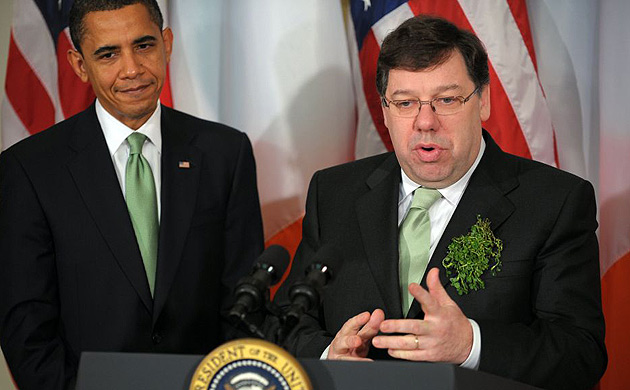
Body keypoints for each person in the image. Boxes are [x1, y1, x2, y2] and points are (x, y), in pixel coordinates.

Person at [276, 15, 606, 390]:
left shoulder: (554, 202)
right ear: (384, 110)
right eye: (405, 103)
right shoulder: (334, 193)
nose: (425, 122)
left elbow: (581, 354)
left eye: (446, 100)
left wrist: (471, 345)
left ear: (483, 102)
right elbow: (288, 320)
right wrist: (328, 357)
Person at [0, 1, 263, 389]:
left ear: (167, 43)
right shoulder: (29, 168)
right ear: (78, 64)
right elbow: (27, 328)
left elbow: (246, 303)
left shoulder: (226, 152)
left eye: (144, 46)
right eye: (108, 54)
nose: (132, 69)